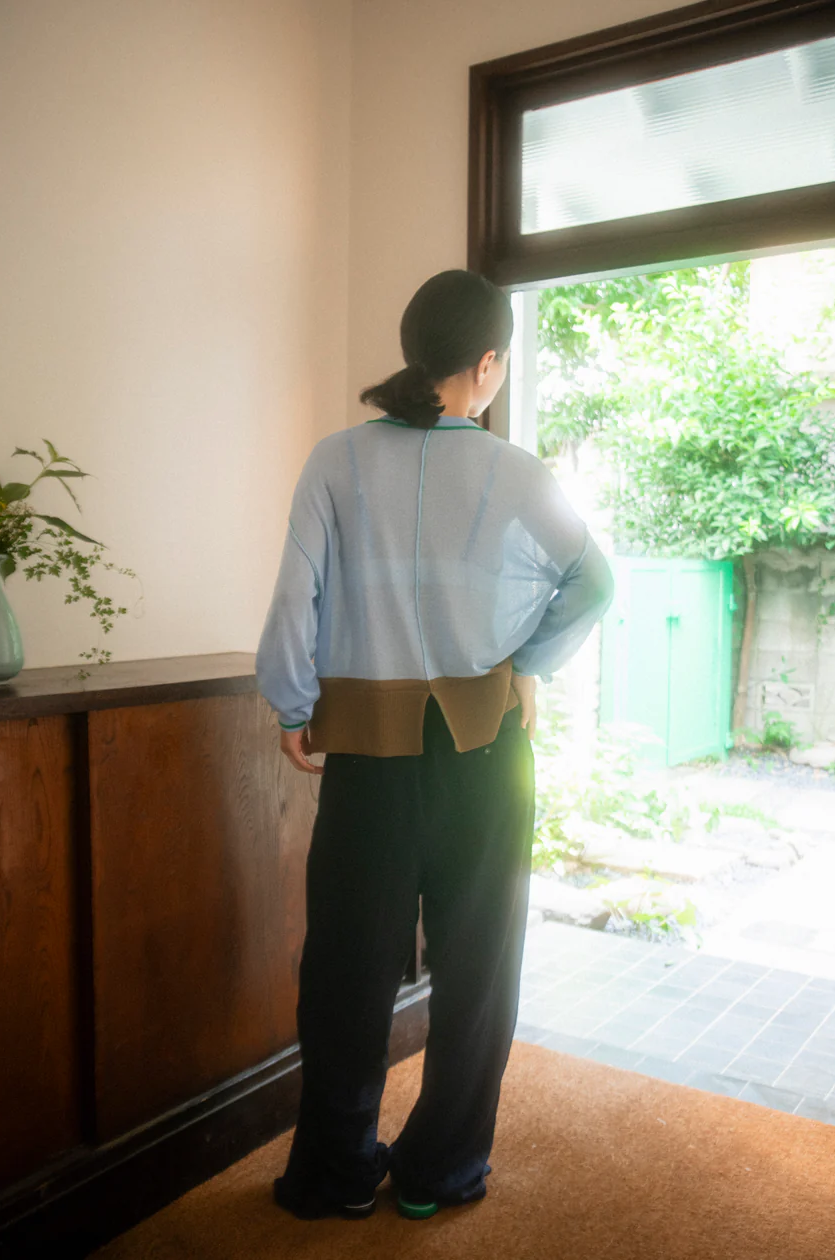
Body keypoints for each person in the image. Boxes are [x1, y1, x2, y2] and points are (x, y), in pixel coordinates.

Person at [255, 268, 614, 1222]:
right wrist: (526, 662)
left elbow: (294, 600)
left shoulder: (335, 460)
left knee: (345, 969)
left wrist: (293, 708)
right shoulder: (518, 473)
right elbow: (593, 585)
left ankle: (333, 1175)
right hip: (485, 756)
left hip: (368, 761)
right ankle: (441, 1171)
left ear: (416, 351)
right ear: (488, 363)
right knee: (478, 967)